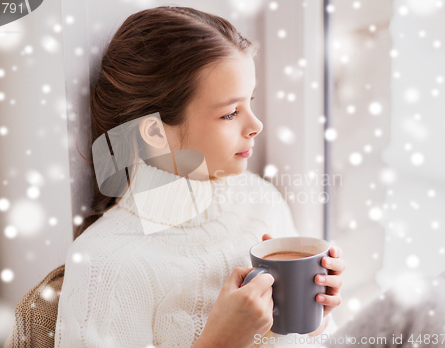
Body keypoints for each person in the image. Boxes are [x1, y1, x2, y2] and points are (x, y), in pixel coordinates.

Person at [53, 5, 347, 348]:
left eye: (250, 102)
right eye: (230, 113)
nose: (256, 125)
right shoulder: (107, 266)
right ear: (154, 132)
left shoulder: (261, 200)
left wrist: (314, 318)